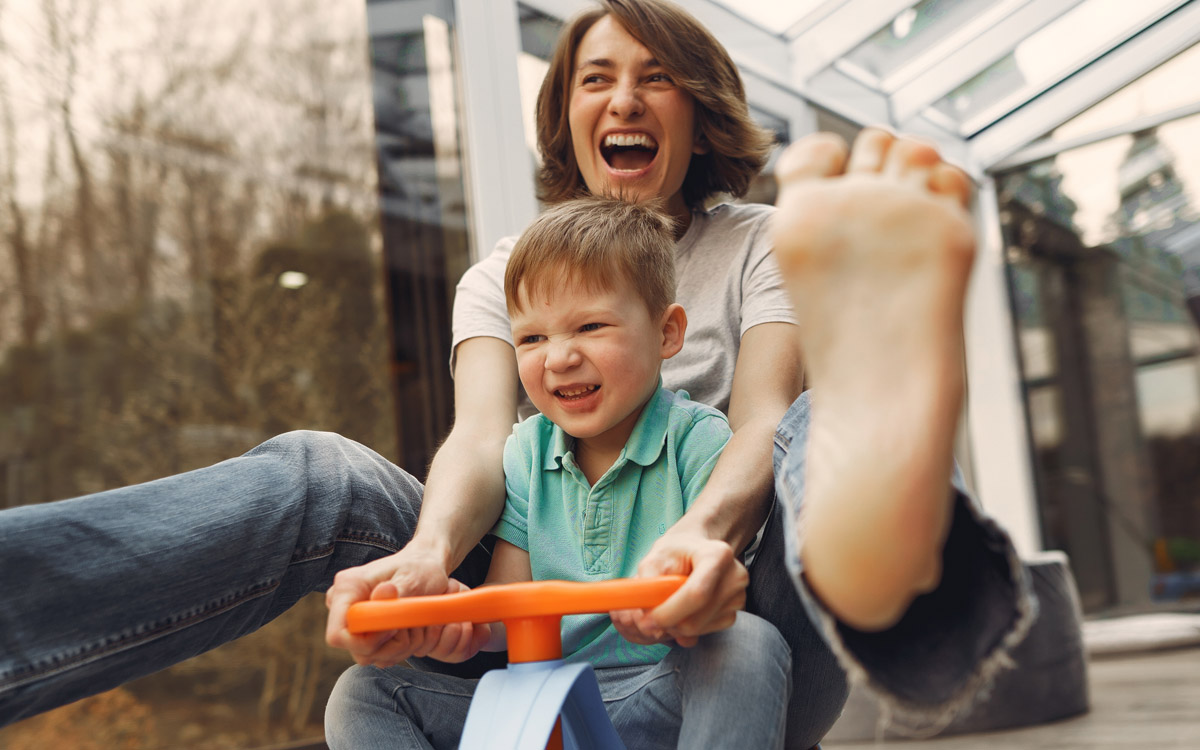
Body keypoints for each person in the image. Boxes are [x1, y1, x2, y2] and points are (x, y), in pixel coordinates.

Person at [0, 0, 1031, 746]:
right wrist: (431, 558)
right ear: (569, 113)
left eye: (654, 75)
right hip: (547, 624)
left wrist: (698, 538)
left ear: (699, 108)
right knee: (322, 475)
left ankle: (885, 558)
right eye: (596, 77)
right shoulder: (501, 276)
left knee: (819, 416)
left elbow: (758, 418)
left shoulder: (772, 240)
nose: (623, 97)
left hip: (728, 604)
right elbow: (480, 442)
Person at [324, 196, 792, 749]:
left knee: (749, 644)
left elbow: (716, 585)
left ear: (667, 333)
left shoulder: (698, 440)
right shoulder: (525, 454)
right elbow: (508, 605)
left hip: (665, 689)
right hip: (545, 700)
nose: (559, 358)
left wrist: (679, 604)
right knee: (363, 692)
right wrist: (462, 630)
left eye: (590, 326)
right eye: (532, 338)